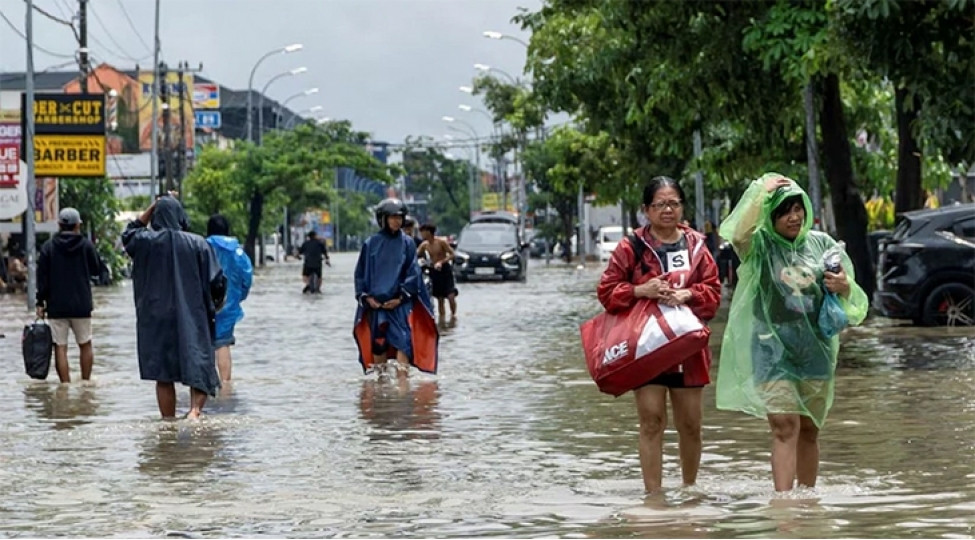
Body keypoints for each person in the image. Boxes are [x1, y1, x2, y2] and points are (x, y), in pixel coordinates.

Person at [715, 173, 868, 492]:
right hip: (772, 352)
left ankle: (808, 502)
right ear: (772, 216)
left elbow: (852, 297)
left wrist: (844, 286)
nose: (794, 216)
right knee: (785, 427)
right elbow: (737, 233)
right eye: (784, 210)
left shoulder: (822, 245)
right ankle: (783, 506)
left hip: (816, 352)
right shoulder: (760, 247)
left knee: (810, 429)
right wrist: (760, 192)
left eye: (798, 208)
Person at [596, 176, 721, 494]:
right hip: (646, 348)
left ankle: (690, 490)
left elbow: (713, 293)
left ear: (682, 206)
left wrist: (688, 295)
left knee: (691, 425)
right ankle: (653, 497)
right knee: (651, 420)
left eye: (674, 203)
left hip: (688, 348)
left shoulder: (697, 245)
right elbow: (607, 291)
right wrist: (640, 289)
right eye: (660, 204)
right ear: (646, 210)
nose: (668, 210)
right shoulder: (630, 247)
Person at [122, 195, 226, 420]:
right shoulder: (198, 243)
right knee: (199, 364)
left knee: (163, 374)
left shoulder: (144, 242)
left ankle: (168, 422)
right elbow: (217, 281)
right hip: (192, 315)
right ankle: (195, 412)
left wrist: (153, 205)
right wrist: (216, 304)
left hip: (155, 318)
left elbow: (128, 233)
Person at [353, 198, 439, 379]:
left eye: (399, 217)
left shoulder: (407, 243)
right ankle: (381, 385)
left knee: (404, 343)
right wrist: (367, 298)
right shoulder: (371, 244)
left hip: (400, 304)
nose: (396, 221)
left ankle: (402, 387)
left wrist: (401, 297)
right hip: (377, 305)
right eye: (392, 217)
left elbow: (413, 272)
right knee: (379, 344)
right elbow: (360, 274)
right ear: (383, 219)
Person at [35, 208, 103, 383]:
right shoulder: (86, 245)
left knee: (60, 347)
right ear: (77, 226)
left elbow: (42, 278)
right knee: (85, 344)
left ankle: (64, 385)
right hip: (81, 304)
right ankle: (86, 383)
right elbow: (96, 270)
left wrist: (40, 302)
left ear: (59, 225)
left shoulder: (48, 247)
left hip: (56, 305)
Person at [206, 214, 253, 383]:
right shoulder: (238, 252)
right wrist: (239, 297)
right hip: (229, 304)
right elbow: (247, 277)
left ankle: (202, 384)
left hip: (202, 303)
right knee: (223, 343)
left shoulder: (202, 247)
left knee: (202, 342)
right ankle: (226, 386)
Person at [417, 223, 458, 319]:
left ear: (428, 232)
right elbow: (416, 254)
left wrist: (441, 262)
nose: (421, 235)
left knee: (451, 296)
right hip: (434, 271)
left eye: (422, 232)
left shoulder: (441, 242)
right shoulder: (424, 245)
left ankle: (453, 316)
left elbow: (452, 254)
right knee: (440, 299)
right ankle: (442, 319)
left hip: (445, 270)